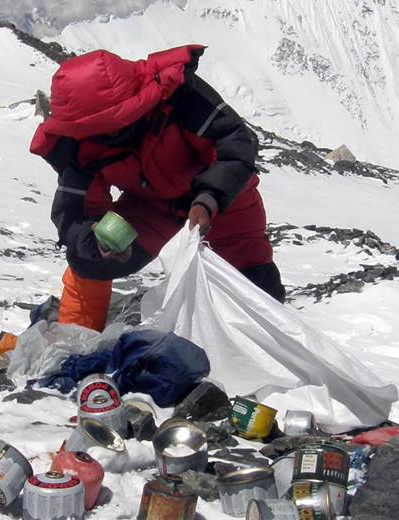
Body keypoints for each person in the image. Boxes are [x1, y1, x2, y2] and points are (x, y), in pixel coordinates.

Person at [30, 45, 284, 331]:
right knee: (87, 261)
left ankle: (270, 351)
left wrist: (208, 200)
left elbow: (233, 147)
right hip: (150, 207)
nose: (108, 136)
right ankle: (76, 340)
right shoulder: (81, 143)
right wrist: (96, 245)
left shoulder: (178, 97)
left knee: (255, 283)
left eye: (113, 125)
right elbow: (76, 212)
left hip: (222, 199)